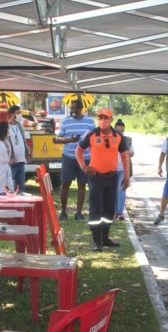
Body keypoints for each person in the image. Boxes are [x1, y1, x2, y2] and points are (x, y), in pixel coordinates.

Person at [76, 109, 130, 251]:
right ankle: (96, 241)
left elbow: (125, 156)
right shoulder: (92, 134)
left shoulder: (117, 135)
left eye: (106, 118)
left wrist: (126, 177)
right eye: (100, 117)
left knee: (109, 209)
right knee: (95, 209)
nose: (103, 120)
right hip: (96, 178)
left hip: (112, 178)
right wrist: (84, 167)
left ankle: (105, 238)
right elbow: (79, 150)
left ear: (111, 119)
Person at [55, 99, 95, 221]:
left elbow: (94, 139)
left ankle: (78, 213)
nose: (72, 111)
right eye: (71, 108)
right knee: (65, 184)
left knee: (82, 185)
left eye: (75, 109)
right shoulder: (66, 121)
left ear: (81, 109)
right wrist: (69, 140)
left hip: (85, 158)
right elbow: (57, 139)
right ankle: (63, 212)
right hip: (69, 157)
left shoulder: (90, 122)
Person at [7, 105, 32, 194]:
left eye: (20, 113)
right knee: (11, 186)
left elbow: (23, 141)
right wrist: (10, 157)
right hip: (13, 161)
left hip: (21, 160)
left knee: (21, 187)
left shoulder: (19, 125)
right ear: (11, 114)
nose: (19, 115)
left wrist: (27, 154)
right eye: (18, 113)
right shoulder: (7, 126)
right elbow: (6, 144)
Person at [114, 119, 134, 221]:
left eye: (122, 131)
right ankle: (114, 211)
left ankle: (120, 212)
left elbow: (132, 153)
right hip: (112, 169)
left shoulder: (127, 140)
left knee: (121, 190)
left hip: (123, 169)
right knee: (113, 191)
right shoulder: (109, 139)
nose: (120, 133)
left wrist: (125, 153)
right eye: (117, 131)